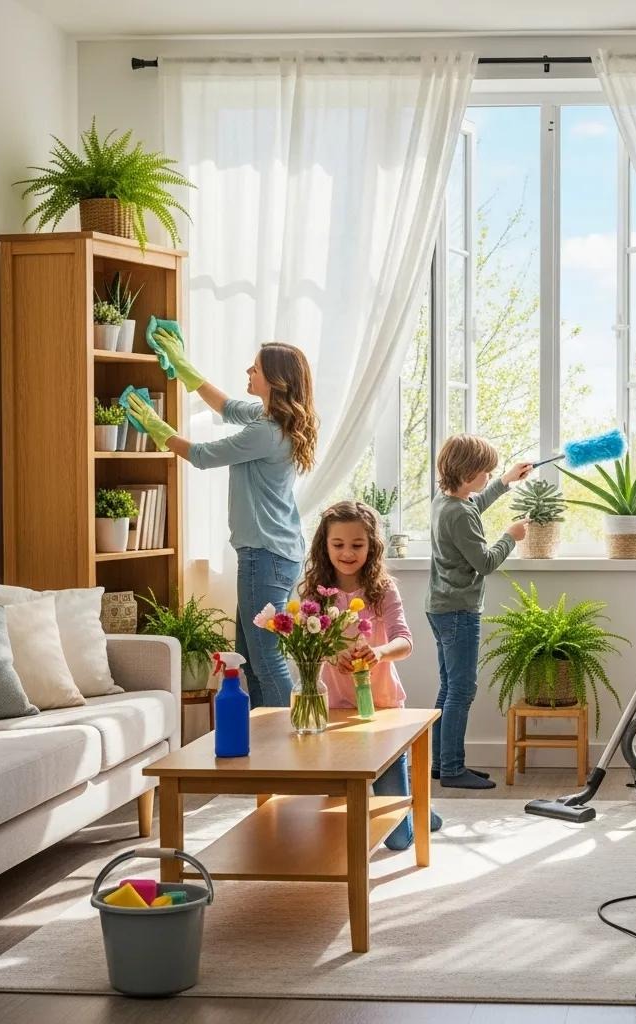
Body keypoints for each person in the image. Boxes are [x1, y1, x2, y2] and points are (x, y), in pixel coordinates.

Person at [126, 332, 318, 709]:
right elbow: (227, 407)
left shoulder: (266, 431)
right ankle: (267, 747)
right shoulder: (271, 417)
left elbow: (201, 454)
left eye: (256, 368)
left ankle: (289, 748)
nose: (248, 370)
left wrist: (156, 426)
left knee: (265, 660)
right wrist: (184, 368)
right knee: (250, 656)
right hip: (274, 554)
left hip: (264, 556)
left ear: (276, 381)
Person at [302, 500, 441, 851]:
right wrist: (333, 653)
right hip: (333, 710)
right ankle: (413, 802)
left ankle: (421, 808)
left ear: (371, 546)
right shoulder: (314, 593)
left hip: (382, 708)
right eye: (338, 545)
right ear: (325, 546)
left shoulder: (383, 589)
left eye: (357, 545)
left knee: (396, 840)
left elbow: (404, 641)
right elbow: (304, 643)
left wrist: (377, 653)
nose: (347, 552)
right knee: (331, 826)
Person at [427, 435, 532, 790]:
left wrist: (505, 482)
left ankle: (441, 764)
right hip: (459, 611)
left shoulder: (445, 502)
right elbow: (485, 562)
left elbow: (472, 508)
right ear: (469, 472)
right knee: (461, 690)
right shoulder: (458, 513)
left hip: (440, 608)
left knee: (449, 688)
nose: (489, 476)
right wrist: (511, 536)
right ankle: (453, 769)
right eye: (486, 472)